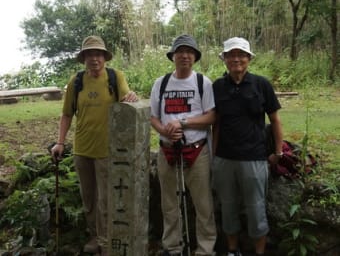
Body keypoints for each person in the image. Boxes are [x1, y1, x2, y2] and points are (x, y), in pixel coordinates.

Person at [51, 35, 138, 256]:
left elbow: (127, 97)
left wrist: (131, 97)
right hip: (82, 149)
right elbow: (66, 115)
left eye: (98, 54)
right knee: (88, 198)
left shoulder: (114, 76)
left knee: (105, 199)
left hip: (106, 150)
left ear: (104, 57)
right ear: (84, 58)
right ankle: (93, 236)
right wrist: (60, 142)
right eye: (90, 54)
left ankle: (106, 240)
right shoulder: (76, 81)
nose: (94, 58)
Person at [212, 37, 284, 256]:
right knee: (228, 207)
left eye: (241, 54)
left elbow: (275, 120)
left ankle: (259, 252)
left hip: (254, 158)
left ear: (248, 58)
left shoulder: (261, 84)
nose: (236, 59)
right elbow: (216, 124)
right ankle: (233, 250)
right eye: (231, 55)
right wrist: (214, 156)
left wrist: (278, 152)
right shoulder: (217, 86)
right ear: (224, 59)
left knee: (256, 209)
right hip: (225, 158)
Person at [150, 34, 217, 256]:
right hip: (167, 150)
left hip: (197, 151)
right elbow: (153, 117)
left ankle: (205, 249)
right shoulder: (161, 84)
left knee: (203, 204)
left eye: (189, 52)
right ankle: (172, 246)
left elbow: (210, 117)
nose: (185, 56)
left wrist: (183, 123)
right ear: (173, 56)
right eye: (180, 52)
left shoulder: (202, 83)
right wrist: (165, 129)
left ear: (195, 57)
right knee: (169, 203)